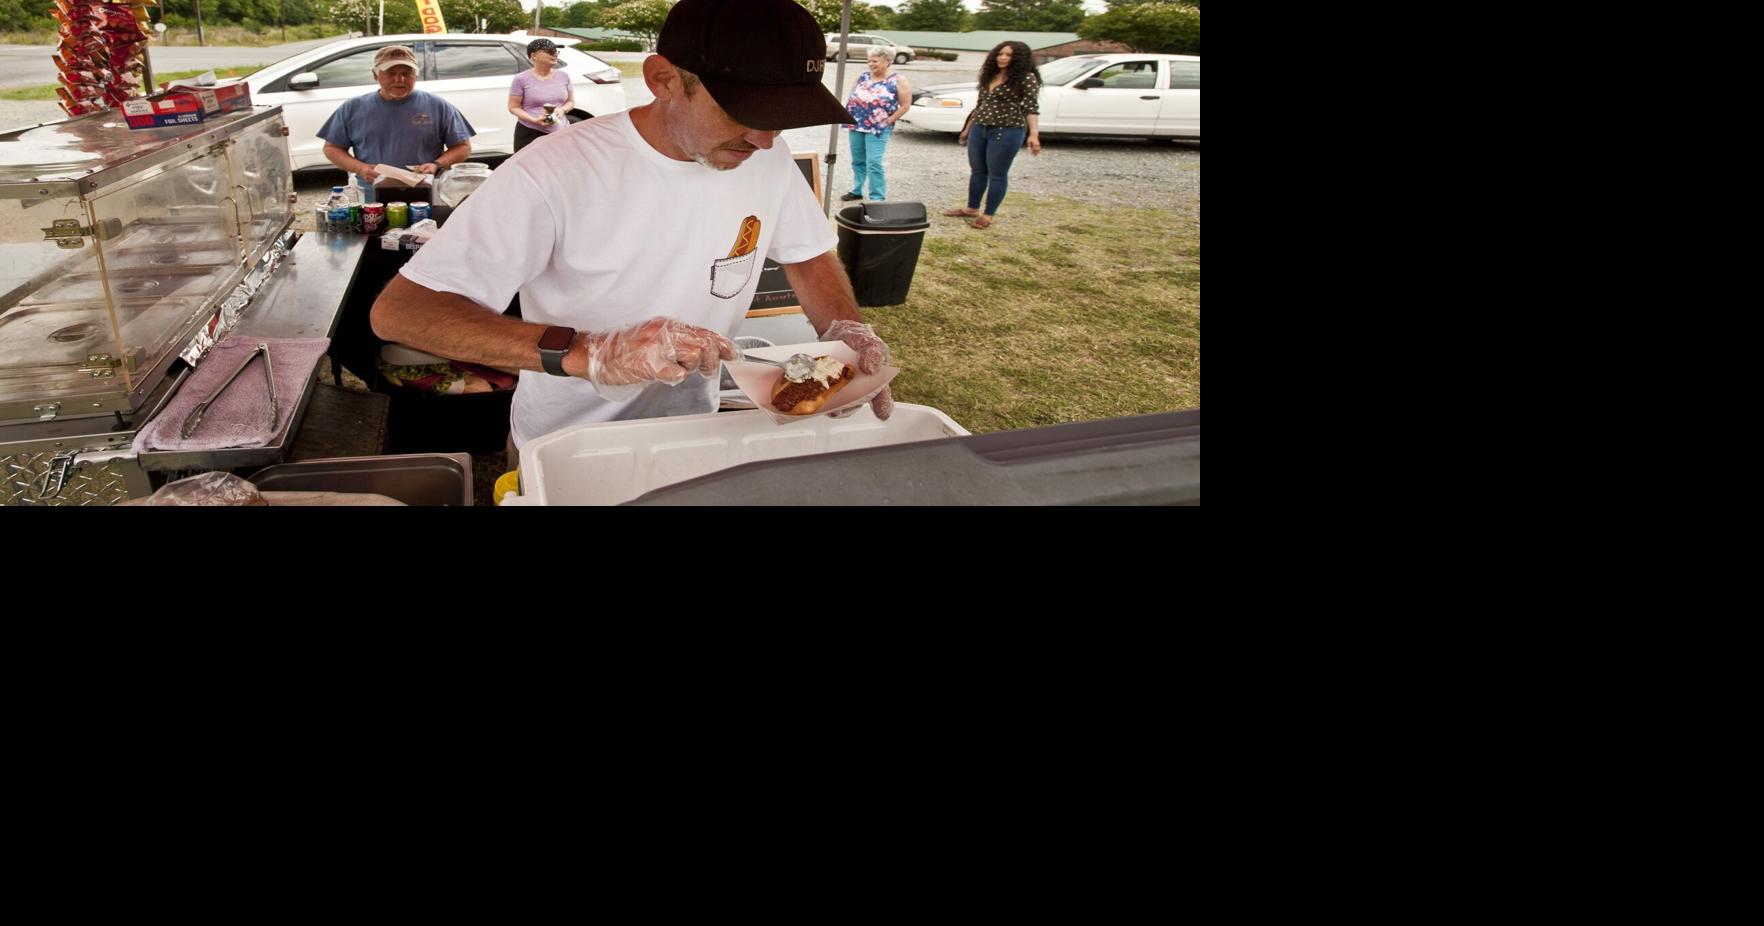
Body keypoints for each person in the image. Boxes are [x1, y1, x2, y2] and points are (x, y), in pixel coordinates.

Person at [370, 0, 896, 468]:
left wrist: (844, 330)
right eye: (744, 113)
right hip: (568, 444)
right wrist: (591, 353)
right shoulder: (553, 171)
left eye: (781, 118)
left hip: (691, 429)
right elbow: (402, 312)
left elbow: (807, 254)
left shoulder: (768, 158)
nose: (763, 138)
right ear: (663, 78)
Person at [318, 45, 475, 203]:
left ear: (416, 75)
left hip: (423, 196)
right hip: (371, 200)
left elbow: (463, 147)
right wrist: (360, 168)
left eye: (406, 73)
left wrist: (436, 164)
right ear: (376, 75)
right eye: (391, 73)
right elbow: (332, 148)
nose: (399, 80)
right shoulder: (353, 108)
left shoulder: (438, 106)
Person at [943, 40, 1042, 229]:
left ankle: (988, 214)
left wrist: (1034, 134)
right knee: (978, 171)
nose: (1003, 57)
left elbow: (1031, 107)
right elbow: (980, 104)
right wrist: (968, 128)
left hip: (1007, 130)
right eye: (1000, 54)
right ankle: (972, 208)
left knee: (997, 174)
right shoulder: (990, 75)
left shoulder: (1026, 78)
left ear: (1019, 59)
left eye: (1009, 55)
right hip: (980, 128)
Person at [840, 47, 911, 202]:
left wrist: (888, 121)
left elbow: (905, 105)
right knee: (858, 160)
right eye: (869, 60)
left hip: (878, 128)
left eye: (875, 61)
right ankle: (856, 190)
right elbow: (852, 97)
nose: (870, 64)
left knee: (874, 163)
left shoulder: (898, 79)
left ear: (888, 61)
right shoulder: (862, 77)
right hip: (856, 124)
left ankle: (877, 197)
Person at [508, 38, 575, 153]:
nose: (554, 54)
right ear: (534, 56)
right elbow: (513, 107)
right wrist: (534, 120)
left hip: (560, 131)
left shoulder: (564, 76)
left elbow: (571, 102)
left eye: (556, 51)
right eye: (549, 51)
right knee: (529, 168)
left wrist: (562, 110)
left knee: (558, 168)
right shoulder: (521, 79)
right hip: (530, 132)